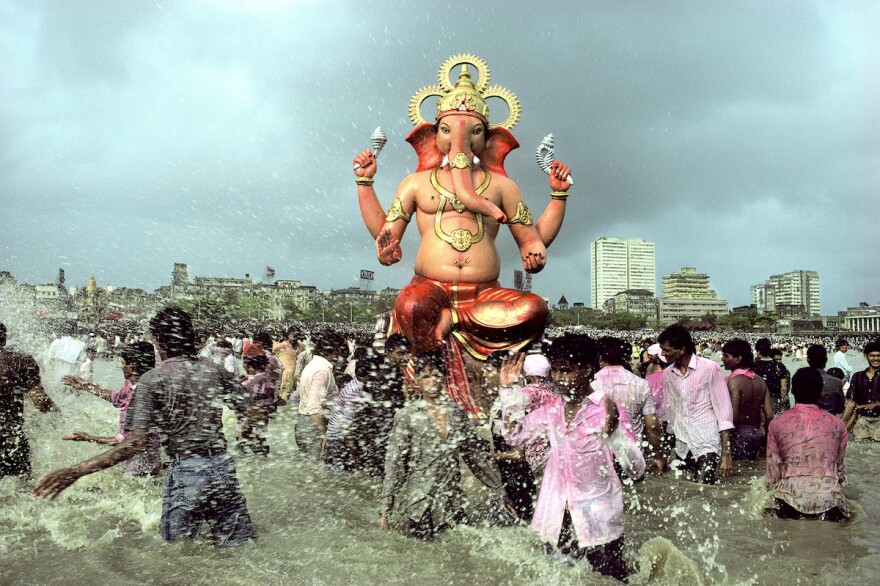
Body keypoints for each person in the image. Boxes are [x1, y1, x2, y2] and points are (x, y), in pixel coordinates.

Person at [353, 56, 568, 364]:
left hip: (485, 295)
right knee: (411, 306)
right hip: (429, 287)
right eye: (447, 130)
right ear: (432, 135)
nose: (461, 140)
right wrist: (364, 182)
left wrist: (558, 198)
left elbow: (532, 240)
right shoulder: (415, 184)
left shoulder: (502, 186)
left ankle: (454, 319)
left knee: (534, 309)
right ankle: (431, 366)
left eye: (475, 132)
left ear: (490, 139)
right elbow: (387, 234)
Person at [34, 307, 255, 548]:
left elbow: (136, 443)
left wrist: (77, 471)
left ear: (159, 340)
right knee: (237, 547)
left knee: (180, 554)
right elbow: (249, 407)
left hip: (187, 471)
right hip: (222, 467)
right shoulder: (211, 370)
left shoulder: (153, 379)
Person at [501, 333, 644, 582]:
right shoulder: (552, 410)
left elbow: (637, 470)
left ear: (587, 368)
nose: (557, 378)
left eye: (565, 370)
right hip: (556, 520)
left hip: (599, 523)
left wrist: (615, 434)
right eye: (554, 371)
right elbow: (514, 436)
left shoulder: (608, 408)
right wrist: (508, 393)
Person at [379, 351, 506, 540]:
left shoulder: (457, 414)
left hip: (451, 498)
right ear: (416, 382)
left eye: (436, 376)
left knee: (462, 550)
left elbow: (474, 457)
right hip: (419, 503)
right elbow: (395, 463)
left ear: (444, 379)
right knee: (424, 554)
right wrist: (384, 513)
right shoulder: (407, 416)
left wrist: (498, 491)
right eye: (426, 377)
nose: (432, 382)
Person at [60, 341, 161, 476]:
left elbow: (128, 441)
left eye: (123, 363)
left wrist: (89, 437)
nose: (121, 367)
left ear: (132, 366)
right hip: (135, 461)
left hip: (141, 465)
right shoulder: (131, 384)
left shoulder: (142, 395)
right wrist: (85, 386)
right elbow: (117, 398)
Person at [766, 368, 850, 521]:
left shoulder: (777, 424)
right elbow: (839, 469)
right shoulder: (838, 425)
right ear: (820, 392)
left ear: (792, 390)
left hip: (790, 500)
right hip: (830, 502)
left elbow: (773, 473)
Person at [659, 324, 734, 484]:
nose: (663, 354)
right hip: (682, 442)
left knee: (704, 487)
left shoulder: (709, 368)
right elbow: (671, 410)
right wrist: (666, 450)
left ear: (682, 349)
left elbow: (723, 411)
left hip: (707, 440)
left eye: (667, 350)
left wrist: (726, 454)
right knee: (684, 491)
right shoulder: (668, 374)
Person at [594, 336, 665, 474]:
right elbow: (652, 426)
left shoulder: (591, 385)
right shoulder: (640, 384)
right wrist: (657, 456)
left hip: (602, 456)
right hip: (633, 455)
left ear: (600, 357)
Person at [0, 322, 57, 479]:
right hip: (9, 438)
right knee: (21, 491)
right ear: (4, 339)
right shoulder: (20, 361)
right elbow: (42, 403)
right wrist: (57, 412)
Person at [721, 339, 774, 460]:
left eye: (726, 356)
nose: (722, 359)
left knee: (734, 473)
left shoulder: (733, 382)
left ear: (738, 359)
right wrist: (766, 442)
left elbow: (733, 416)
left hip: (738, 435)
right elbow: (770, 415)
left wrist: (725, 445)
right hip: (757, 434)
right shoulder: (760, 380)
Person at [295, 330, 344, 461]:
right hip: (313, 427)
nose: (340, 352)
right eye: (338, 349)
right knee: (317, 469)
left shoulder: (313, 365)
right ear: (331, 350)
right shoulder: (322, 370)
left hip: (305, 422)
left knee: (309, 472)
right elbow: (314, 407)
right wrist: (323, 435)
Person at [238, 343, 276, 456]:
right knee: (261, 437)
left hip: (252, 415)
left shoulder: (250, 382)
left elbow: (242, 399)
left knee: (245, 438)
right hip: (264, 415)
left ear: (249, 365)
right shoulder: (268, 378)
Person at [842, 340, 880, 440]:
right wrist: (841, 424)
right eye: (872, 355)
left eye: (878, 355)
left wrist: (875, 405)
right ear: (866, 357)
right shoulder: (858, 376)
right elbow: (851, 402)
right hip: (863, 420)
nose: (876, 358)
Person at [805, 344, 845, 416]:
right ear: (826, 360)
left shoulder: (800, 379)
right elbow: (840, 409)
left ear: (808, 359)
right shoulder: (836, 382)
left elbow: (798, 407)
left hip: (807, 422)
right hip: (828, 422)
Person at [754, 338, 790, 415]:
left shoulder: (754, 366)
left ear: (758, 351)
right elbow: (784, 388)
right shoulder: (779, 366)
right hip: (775, 400)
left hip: (759, 402)